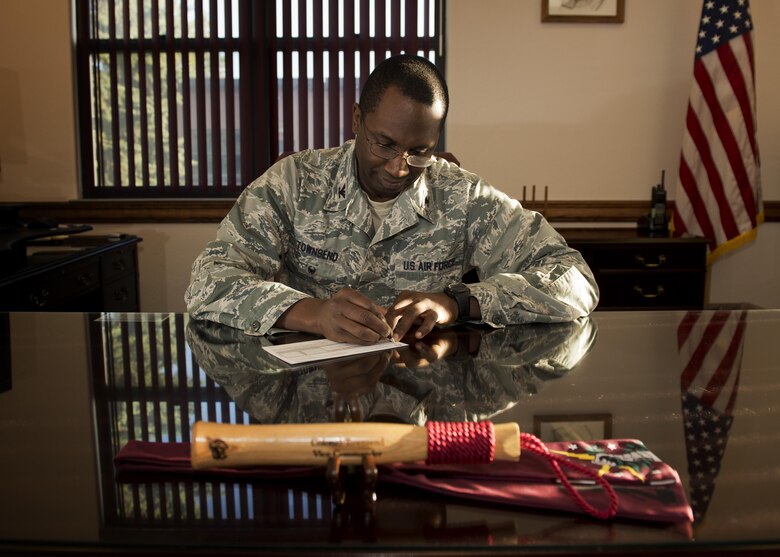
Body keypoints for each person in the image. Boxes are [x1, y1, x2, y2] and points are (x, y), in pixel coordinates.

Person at [185, 54, 598, 345]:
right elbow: (209, 280)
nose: (399, 168)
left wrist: (458, 303)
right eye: (384, 144)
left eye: (419, 151)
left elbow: (574, 279)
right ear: (357, 120)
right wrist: (313, 313)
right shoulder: (294, 183)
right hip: (314, 396)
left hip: (423, 396)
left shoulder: (463, 197)